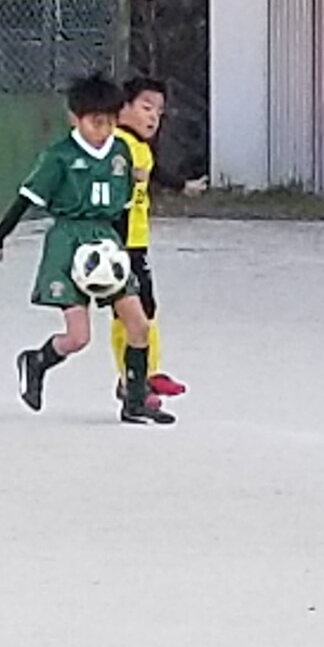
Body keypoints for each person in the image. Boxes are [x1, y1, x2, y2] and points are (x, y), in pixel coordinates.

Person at [0, 73, 175, 426]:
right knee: (78, 337)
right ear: (75, 118)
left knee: (138, 324)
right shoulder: (59, 156)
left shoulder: (120, 153)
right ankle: (37, 361)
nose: (103, 131)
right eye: (95, 123)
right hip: (68, 242)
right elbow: (26, 199)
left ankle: (135, 402)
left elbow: (123, 208)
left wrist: (122, 252)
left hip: (106, 241)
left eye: (110, 123)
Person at [110, 75, 207, 406]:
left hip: (137, 242)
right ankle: (132, 379)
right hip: (118, 243)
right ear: (123, 108)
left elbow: (155, 173)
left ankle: (147, 372)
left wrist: (183, 186)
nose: (153, 116)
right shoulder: (116, 145)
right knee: (129, 312)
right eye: (146, 107)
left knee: (146, 307)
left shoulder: (139, 146)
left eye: (159, 111)